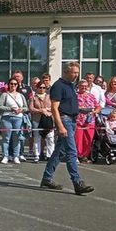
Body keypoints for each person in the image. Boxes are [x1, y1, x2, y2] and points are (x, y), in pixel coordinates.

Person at [40, 62, 94, 195]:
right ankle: (77, 182)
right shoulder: (58, 86)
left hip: (73, 119)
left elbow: (67, 104)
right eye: (73, 72)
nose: (76, 75)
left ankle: (47, 178)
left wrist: (81, 110)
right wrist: (60, 126)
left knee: (60, 151)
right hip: (65, 120)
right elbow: (54, 108)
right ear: (66, 72)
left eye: (77, 72)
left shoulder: (70, 86)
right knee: (71, 151)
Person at [0, 78, 28, 164]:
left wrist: (21, 109)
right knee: (6, 138)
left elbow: (26, 107)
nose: (13, 85)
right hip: (6, 118)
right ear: (8, 85)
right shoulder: (5, 95)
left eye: (15, 84)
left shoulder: (21, 95)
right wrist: (10, 109)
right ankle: (5, 156)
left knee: (17, 138)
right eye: (11, 84)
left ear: (17, 85)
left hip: (18, 118)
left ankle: (16, 156)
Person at [29, 80, 54, 161]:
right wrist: (40, 110)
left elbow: (54, 107)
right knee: (37, 137)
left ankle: (50, 155)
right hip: (37, 119)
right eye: (40, 87)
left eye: (44, 87)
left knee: (50, 137)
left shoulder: (49, 96)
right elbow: (31, 108)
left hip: (48, 119)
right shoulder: (33, 97)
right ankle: (37, 155)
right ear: (37, 88)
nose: (42, 89)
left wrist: (47, 110)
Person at [75, 80, 99, 162]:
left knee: (88, 139)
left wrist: (95, 112)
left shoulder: (91, 96)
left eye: (85, 86)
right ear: (78, 86)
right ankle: (78, 155)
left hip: (90, 120)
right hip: (79, 120)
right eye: (82, 86)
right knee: (78, 139)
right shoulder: (75, 96)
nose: (84, 87)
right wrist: (79, 108)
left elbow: (98, 106)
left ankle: (85, 156)